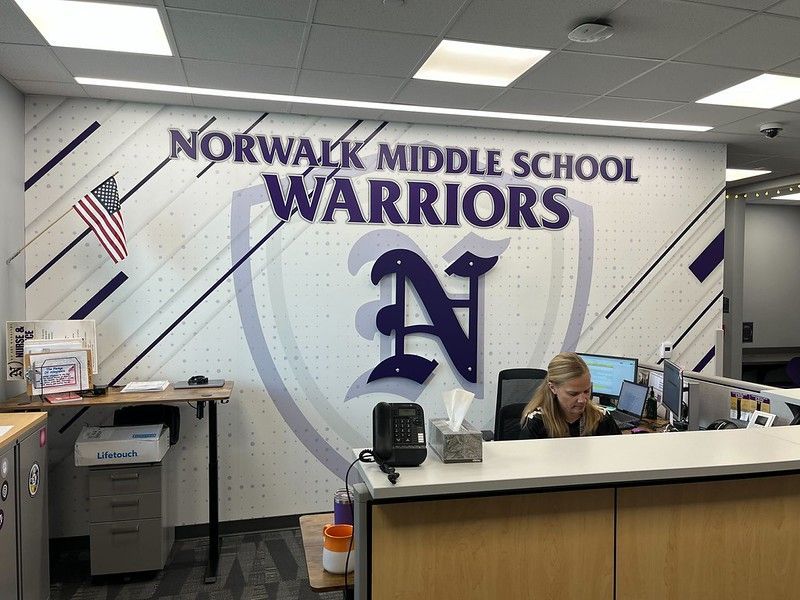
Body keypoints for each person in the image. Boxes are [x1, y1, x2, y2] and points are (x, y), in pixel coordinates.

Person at [519, 352, 621, 439]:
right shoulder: (536, 422)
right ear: (553, 388)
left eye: (586, 391)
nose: (582, 400)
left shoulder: (601, 418)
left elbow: (619, 456)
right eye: (573, 394)